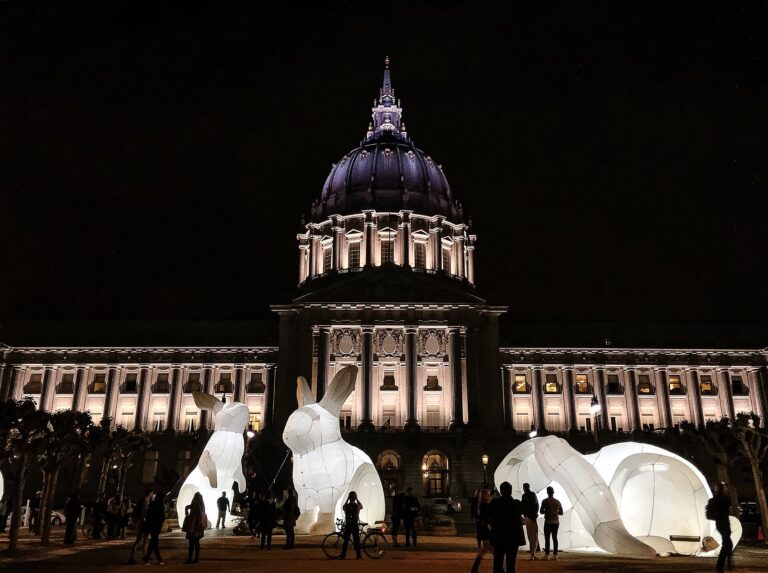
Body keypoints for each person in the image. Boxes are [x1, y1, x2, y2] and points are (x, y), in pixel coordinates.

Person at [489, 481, 525, 573]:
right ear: (511, 491)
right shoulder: (516, 504)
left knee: (497, 562)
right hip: (513, 537)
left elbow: (490, 516)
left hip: (499, 536)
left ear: (501, 491)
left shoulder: (495, 503)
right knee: (511, 564)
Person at [710, 482, 734, 573]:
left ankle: (728, 562)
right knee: (726, 544)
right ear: (722, 489)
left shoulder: (715, 499)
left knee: (728, 543)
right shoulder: (724, 499)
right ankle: (720, 565)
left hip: (719, 523)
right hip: (724, 523)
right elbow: (728, 503)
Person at [471, 487, 493, 573]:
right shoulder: (485, 505)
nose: (489, 495)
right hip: (485, 530)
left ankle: (474, 568)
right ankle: (500, 567)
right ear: (484, 496)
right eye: (487, 494)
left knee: (484, 550)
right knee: (491, 549)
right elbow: (486, 517)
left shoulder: (482, 504)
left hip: (484, 529)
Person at [127, 489, 153, 564]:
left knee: (143, 540)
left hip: (142, 523)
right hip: (143, 524)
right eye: (152, 494)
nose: (153, 495)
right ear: (149, 493)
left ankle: (144, 556)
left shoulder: (145, 501)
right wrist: (143, 522)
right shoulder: (144, 501)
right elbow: (143, 513)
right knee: (140, 540)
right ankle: (133, 557)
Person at [540, 486, 563, 561]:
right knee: (555, 538)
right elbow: (561, 512)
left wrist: (547, 511)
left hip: (548, 522)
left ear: (547, 492)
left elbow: (541, 511)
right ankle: (555, 555)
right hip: (556, 522)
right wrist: (555, 512)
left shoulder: (544, 501)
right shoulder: (558, 501)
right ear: (553, 492)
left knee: (547, 539)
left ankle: (547, 555)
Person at [338, 491, 363, 560]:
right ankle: (358, 555)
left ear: (349, 498)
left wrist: (347, 499)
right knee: (356, 541)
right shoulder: (357, 506)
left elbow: (343, 507)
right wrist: (357, 499)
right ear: (355, 498)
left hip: (348, 525)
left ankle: (343, 556)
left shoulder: (347, 506)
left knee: (346, 541)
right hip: (355, 525)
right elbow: (361, 505)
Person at [184, 492, 206, 564]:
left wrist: (187, 511)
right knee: (196, 543)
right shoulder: (201, 505)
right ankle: (196, 558)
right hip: (198, 528)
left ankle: (190, 559)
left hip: (194, 527)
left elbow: (196, 517)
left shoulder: (196, 505)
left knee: (191, 544)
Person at [143, 491, 166, 564]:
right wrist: (157, 525)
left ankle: (159, 560)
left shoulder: (153, 503)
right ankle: (147, 559)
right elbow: (161, 517)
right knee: (153, 542)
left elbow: (149, 516)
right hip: (155, 527)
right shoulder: (159, 505)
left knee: (154, 543)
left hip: (152, 526)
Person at [521, 483, 540, 560]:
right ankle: (533, 554)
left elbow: (522, 507)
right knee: (534, 537)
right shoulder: (532, 494)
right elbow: (536, 505)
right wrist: (535, 514)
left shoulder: (524, 496)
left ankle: (532, 555)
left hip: (527, 518)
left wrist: (524, 516)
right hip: (532, 518)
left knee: (530, 537)